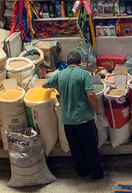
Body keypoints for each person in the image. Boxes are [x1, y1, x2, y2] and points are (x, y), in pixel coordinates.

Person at [43, 51, 104, 179]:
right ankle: (97, 174)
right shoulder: (83, 74)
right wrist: (98, 109)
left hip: (67, 120)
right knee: (91, 149)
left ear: (67, 62)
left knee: (76, 149)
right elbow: (91, 94)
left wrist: (59, 88)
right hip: (83, 119)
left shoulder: (60, 74)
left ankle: (82, 172)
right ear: (79, 62)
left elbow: (45, 84)